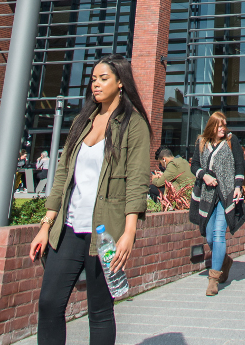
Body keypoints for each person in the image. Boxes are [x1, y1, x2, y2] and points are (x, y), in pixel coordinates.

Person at [30, 55, 152, 345]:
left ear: (121, 83)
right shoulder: (82, 121)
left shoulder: (133, 124)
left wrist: (129, 232)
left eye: (104, 78)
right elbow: (62, 176)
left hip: (106, 233)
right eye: (94, 79)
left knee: (99, 310)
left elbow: (137, 181)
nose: (96, 84)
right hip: (70, 228)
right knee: (49, 303)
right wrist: (46, 225)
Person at [189, 112, 245, 296]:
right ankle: (224, 261)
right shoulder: (201, 142)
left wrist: (238, 186)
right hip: (207, 194)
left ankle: (213, 279)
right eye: (219, 126)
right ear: (212, 126)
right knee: (208, 236)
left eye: (224, 125)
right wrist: (203, 175)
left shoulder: (232, 141)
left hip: (226, 194)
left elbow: (240, 164)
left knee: (218, 233)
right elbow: (194, 165)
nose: (223, 129)